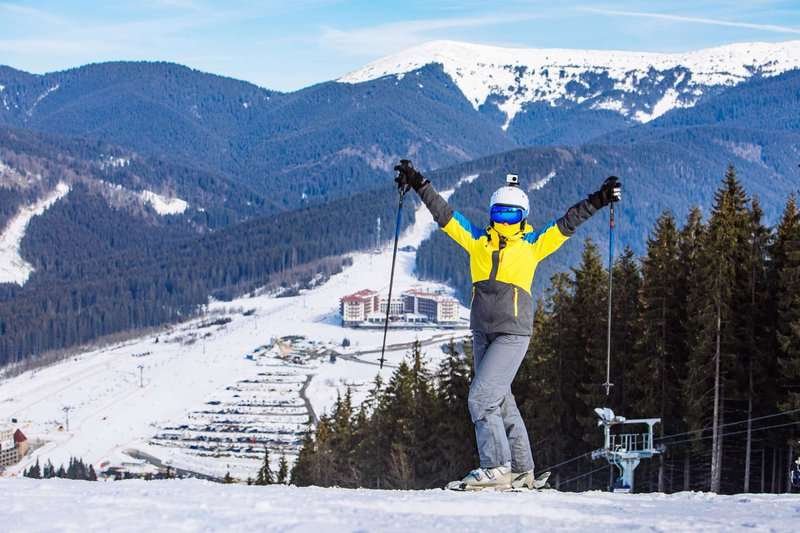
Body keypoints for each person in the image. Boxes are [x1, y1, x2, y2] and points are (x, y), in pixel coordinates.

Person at [394, 160, 621, 491]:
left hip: (513, 333)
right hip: (482, 332)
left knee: (480, 398)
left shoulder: (532, 246)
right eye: (500, 213)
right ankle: (522, 470)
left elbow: (568, 223)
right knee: (499, 399)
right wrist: (417, 182)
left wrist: (599, 199)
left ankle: (496, 467)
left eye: (512, 215)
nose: (505, 220)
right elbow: (444, 215)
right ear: (491, 213)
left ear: (523, 217)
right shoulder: (476, 241)